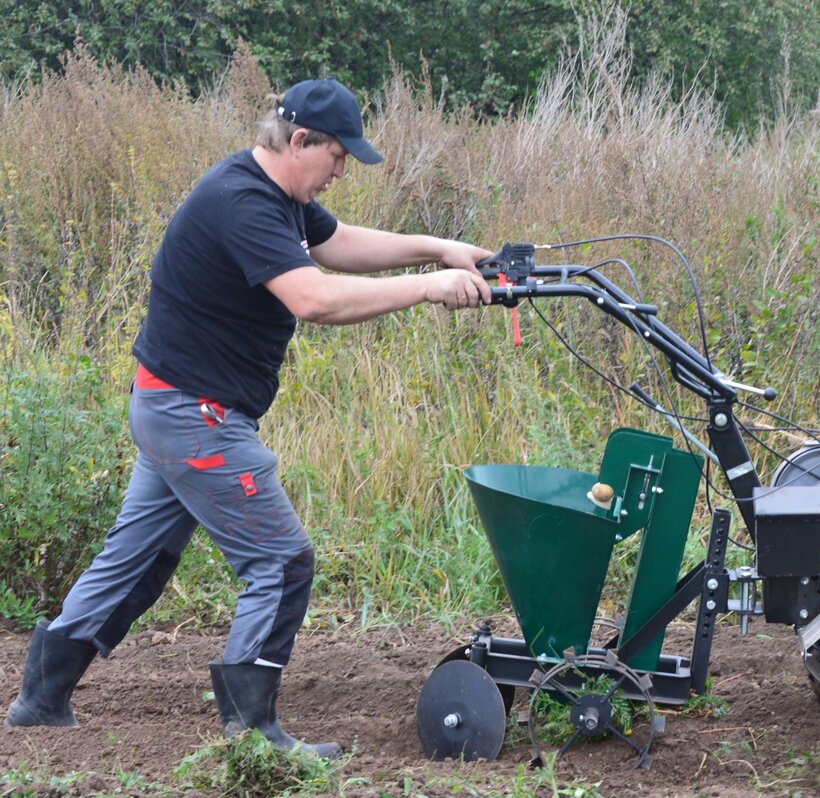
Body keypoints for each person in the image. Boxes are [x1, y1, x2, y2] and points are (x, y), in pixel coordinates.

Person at [3, 78, 491, 758]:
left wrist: (440, 249)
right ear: (300, 142)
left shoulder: (277, 196)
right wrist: (429, 288)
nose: (341, 171)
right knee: (281, 562)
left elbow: (340, 243)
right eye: (338, 156)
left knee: (135, 563)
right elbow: (315, 299)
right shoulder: (242, 202)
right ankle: (252, 737)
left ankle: (39, 700)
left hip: (170, 404)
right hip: (195, 416)